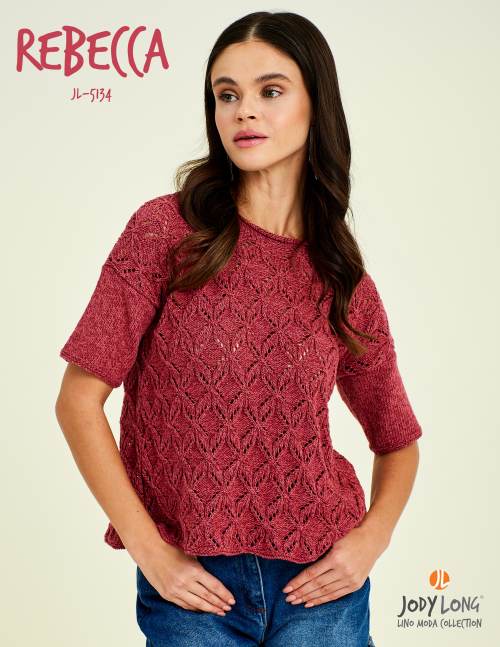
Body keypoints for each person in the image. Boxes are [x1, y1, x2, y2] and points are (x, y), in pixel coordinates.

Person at [55, 10, 422, 647]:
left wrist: (371, 539)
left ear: (316, 104)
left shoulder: (341, 277)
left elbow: (397, 440)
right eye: (226, 95)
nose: (243, 111)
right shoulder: (165, 234)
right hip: (193, 590)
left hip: (320, 590)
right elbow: (78, 400)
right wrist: (151, 552)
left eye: (269, 91)